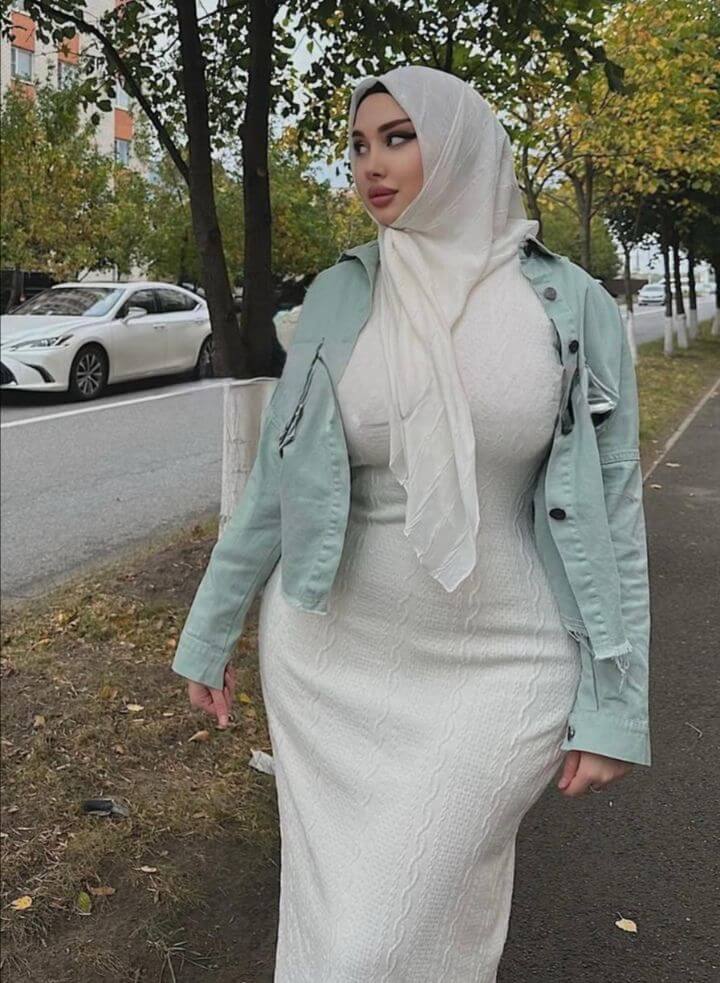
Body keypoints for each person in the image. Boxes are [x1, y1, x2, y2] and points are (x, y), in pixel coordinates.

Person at [172, 65, 651, 981]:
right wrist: (210, 629)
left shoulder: (571, 307)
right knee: (342, 933)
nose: (371, 165)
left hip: (507, 659)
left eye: (399, 138)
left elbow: (616, 506)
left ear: (463, 147)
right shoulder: (342, 294)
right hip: (330, 657)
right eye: (359, 145)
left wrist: (616, 705)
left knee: (383, 938)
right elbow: (278, 477)